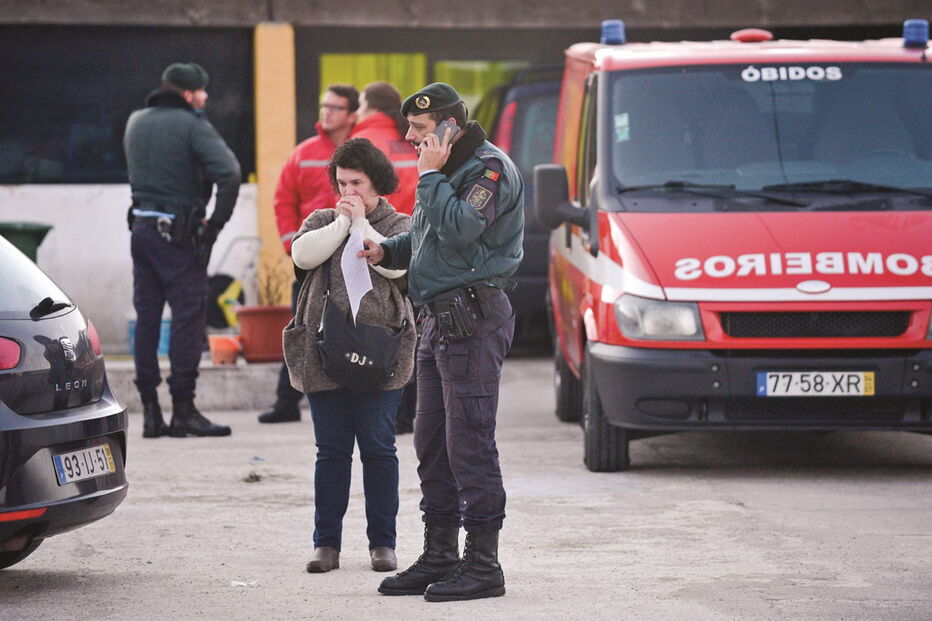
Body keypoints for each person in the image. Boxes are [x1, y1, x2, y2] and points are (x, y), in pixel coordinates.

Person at [360, 83, 524, 602]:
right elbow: (429, 236)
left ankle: (483, 565)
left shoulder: (487, 170)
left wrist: (430, 177)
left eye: (421, 130)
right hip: (436, 320)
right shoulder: (444, 171)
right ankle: (439, 555)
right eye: (410, 128)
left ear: (450, 127)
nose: (410, 137)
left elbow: (461, 229)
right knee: (432, 444)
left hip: (473, 318)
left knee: (469, 443)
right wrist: (385, 247)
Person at [283, 138, 416, 574]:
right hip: (324, 352)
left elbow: (395, 267)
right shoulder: (323, 218)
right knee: (332, 451)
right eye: (341, 182)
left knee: (379, 448)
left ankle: (383, 543)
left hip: (381, 352)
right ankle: (327, 544)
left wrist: (363, 226)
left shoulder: (398, 223)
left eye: (356, 182)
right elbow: (302, 256)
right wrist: (343, 224)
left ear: (376, 182)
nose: (348, 191)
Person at [124, 62, 241, 438]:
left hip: (141, 230)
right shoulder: (192, 124)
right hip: (177, 236)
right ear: (188, 93)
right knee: (189, 316)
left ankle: (151, 413)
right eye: (202, 91)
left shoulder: (135, 122)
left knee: (147, 318)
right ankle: (184, 411)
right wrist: (215, 224)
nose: (205, 97)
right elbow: (230, 172)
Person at [258, 84, 359, 424]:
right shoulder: (304, 152)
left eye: (334, 107)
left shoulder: (363, 151)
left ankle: (353, 398)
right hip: (312, 261)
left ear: (352, 114)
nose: (326, 111)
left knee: (357, 329)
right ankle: (286, 402)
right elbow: (283, 200)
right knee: (300, 328)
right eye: (323, 105)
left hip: (354, 260)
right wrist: (293, 244)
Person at [350, 81, 420, 434]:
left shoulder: (364, 144)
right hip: (414, 242)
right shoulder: (410, 139)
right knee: (412, 329)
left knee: (381, 333)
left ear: (371, 107)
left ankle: (387, 413)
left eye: (360, 105)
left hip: (375, 243)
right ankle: (411, 412)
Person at [351, 81, 418, 215]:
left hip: (378, 226)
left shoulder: (361, 142)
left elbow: (349, 191)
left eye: (361, 105)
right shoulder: (413, 137)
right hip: (416, 225)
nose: (357, 112)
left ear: (375, 110)